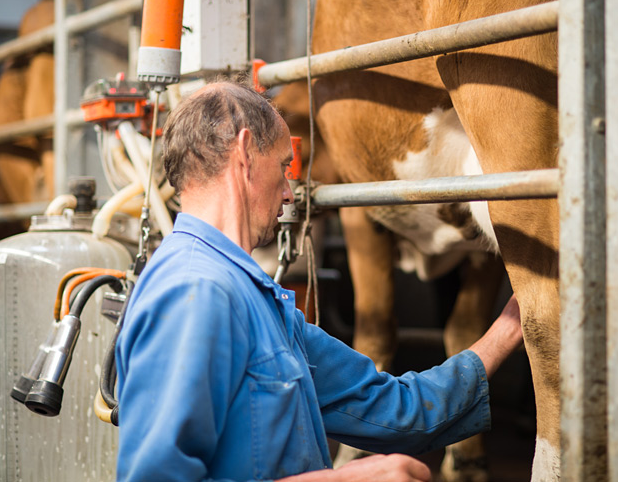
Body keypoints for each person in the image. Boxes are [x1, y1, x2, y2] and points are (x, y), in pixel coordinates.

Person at [115, 81, 524, 482]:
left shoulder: (259, 300)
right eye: (283, 166)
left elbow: (395, 409)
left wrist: (512, 323)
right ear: (244, 154)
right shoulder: (194, 293)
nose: (291, 194)